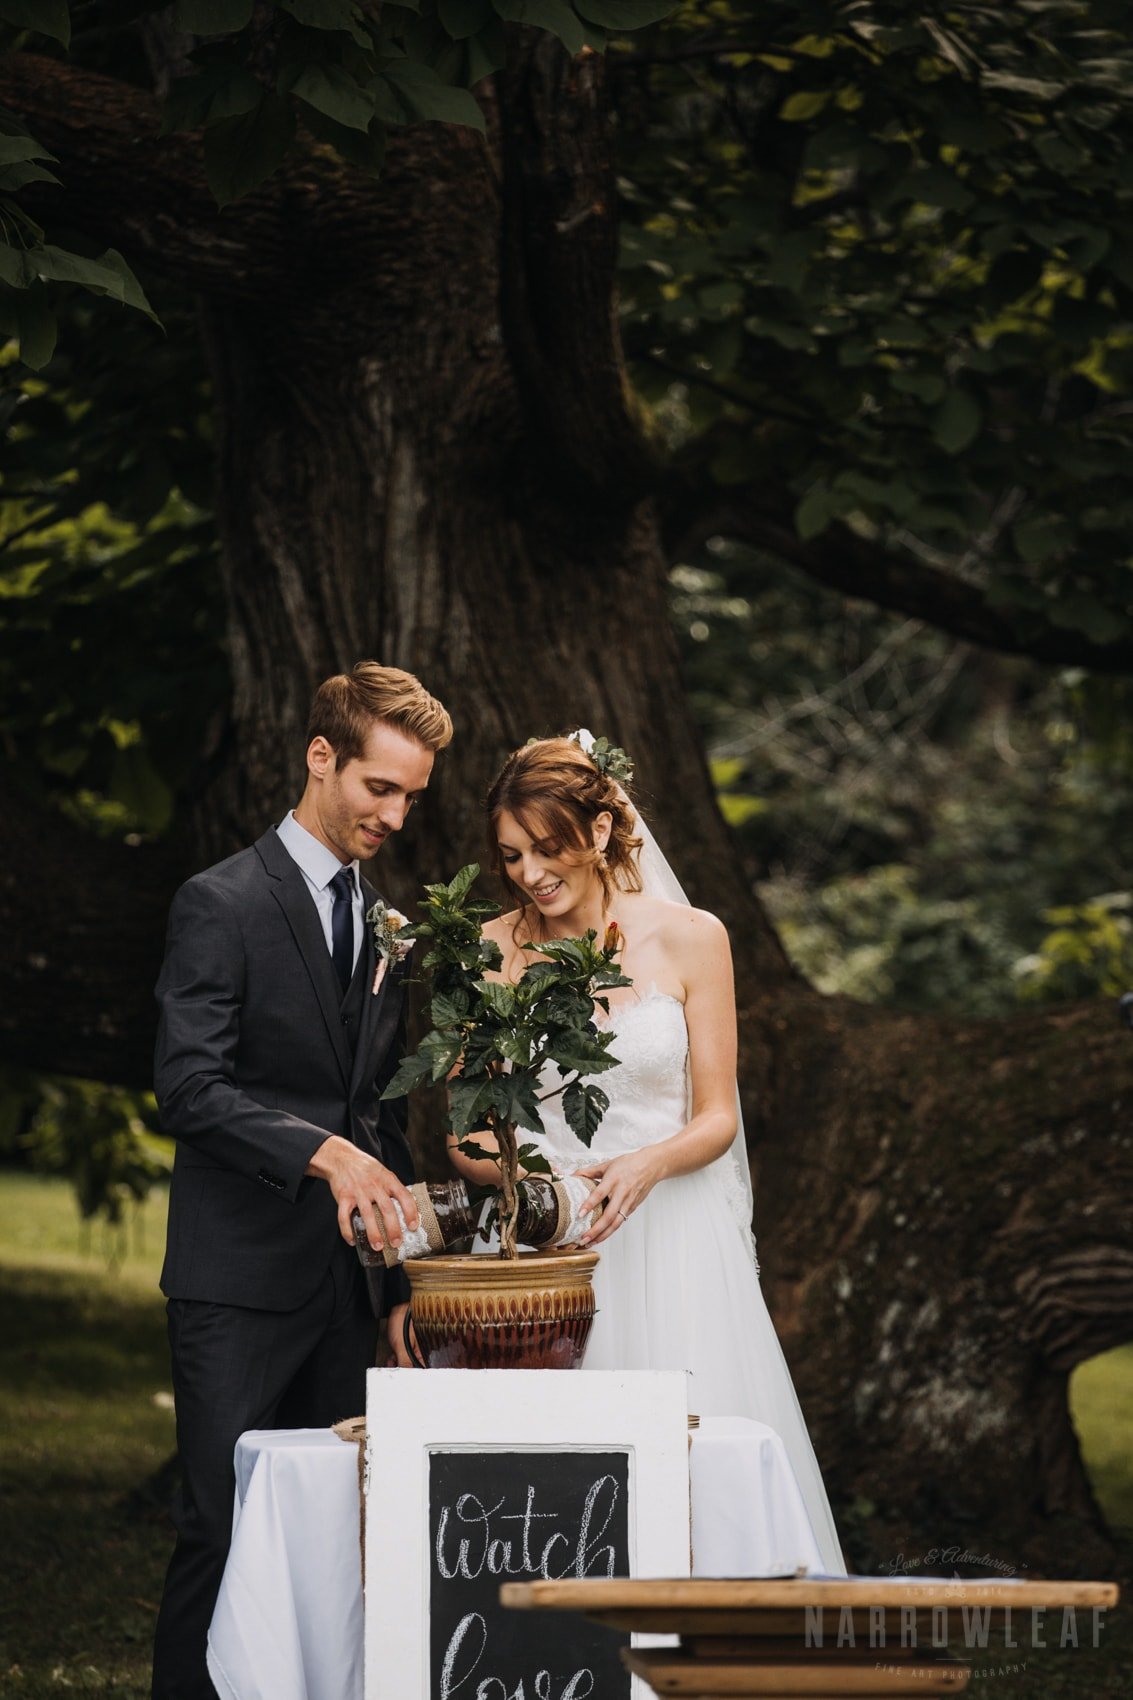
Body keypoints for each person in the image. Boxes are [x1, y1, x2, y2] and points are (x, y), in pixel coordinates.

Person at [450, 732, 844, 1574]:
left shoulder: (694, 938)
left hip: (672, 1239)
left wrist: (647, 1163)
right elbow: (466, 1131)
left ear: (598, 832)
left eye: (546, 848)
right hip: (545, 1248)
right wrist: (534, 1178)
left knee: (691, 1474)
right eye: (512, 854)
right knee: (543, 1489)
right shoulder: (489, 949)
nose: (528, 874)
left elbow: (715, 1119)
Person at [151, 662, 452, 1700]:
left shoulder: (386, 922)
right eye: (379, 787)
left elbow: (377, 1115)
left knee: (331, 1541)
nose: (395, 814)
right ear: (320, 756)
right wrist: (320, 1154)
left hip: (348, 1289)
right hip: (234, 1282)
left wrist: (405, 1281)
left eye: (411, 796)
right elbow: (186, 1088)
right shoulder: (219, 901)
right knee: (218, 1528)